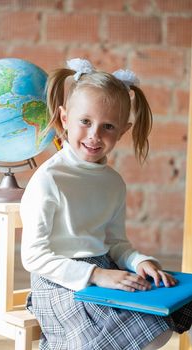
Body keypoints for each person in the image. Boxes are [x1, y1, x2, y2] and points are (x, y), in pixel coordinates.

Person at [20, 58, 192, 349]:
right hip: (59, 281)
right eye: (85, 122)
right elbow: (34, 257)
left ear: (123, 131)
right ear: (64, 119)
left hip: (105, 269)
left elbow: (114, 242)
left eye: (107, 126)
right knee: (123, 336)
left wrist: (140, 261)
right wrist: (96, 275)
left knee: (161, 325)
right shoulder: (49, 179)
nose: (94, 136)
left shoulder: (113, 182)